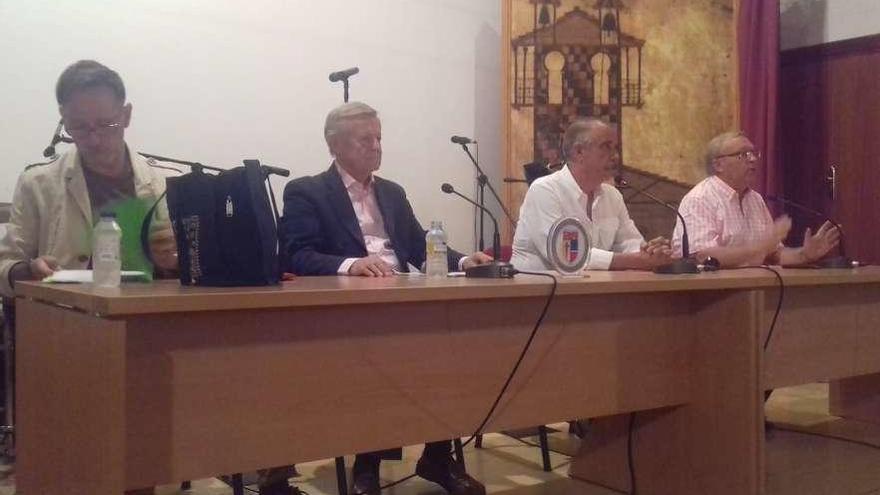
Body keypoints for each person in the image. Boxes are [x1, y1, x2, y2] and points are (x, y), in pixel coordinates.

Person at [278, 101, 490, 495]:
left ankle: (438, 455)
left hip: (405, 298)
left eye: (379, 138)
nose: (376, 147)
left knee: (452, 348)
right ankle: (368, 465)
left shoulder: (391, 192)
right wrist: (351, 264)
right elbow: (297, 254)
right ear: (334, 145)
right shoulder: (307, 192)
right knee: (385, 356)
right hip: (350, 312)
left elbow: (416, 245)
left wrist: (465, 260)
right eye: (365, 139)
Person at [0, 59, 179, 297]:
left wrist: (175, 261)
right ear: (64, 118)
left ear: (126, 115)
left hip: (148, 320)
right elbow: (6, 266)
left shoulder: (168, 184)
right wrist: (28, 272)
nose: (94, 139)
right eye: (79, 127)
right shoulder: (38, 184)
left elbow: (199, 273)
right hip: (64, 321)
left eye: (106, 124)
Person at [511, 118, 672, 271]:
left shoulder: (612, 196)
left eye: (615, 148)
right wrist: (637, 260)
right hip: (536, 293)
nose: (615, 156)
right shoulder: (545, 190)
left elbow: (628, 242)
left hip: (592, 289)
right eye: (606, 147)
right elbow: (566, 256)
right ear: (579, 152)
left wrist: (651, 252)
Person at [672, 131, 839, 267]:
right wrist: (759, 248)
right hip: (713, 295)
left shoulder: (755, 199)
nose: (752, 159)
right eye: (743, 154)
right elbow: (703, 256)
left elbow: (773, 254)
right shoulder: (700, 199)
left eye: (753, 153)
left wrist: (804, 254)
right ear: (718, 165)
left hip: (755, 289)